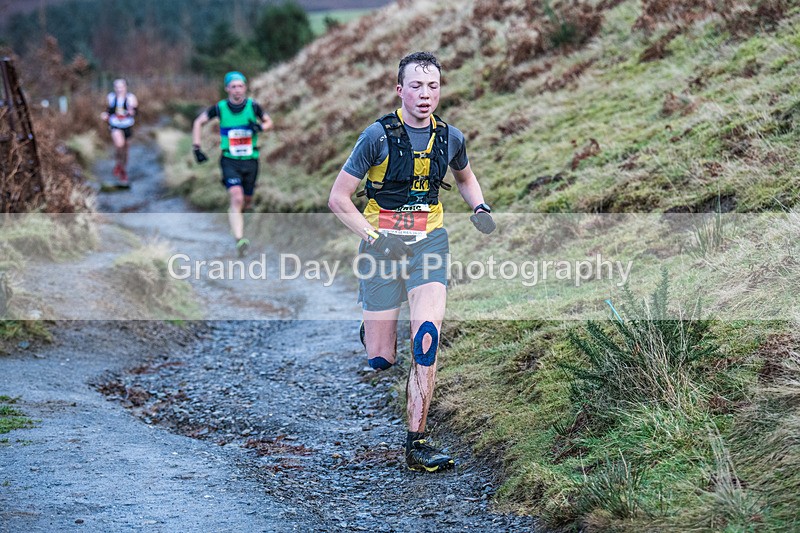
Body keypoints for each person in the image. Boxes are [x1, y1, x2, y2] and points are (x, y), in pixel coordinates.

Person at [328, 51, 496, 472]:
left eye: (433, 86)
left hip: (428, 245)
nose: (425, 95)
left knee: (426, 337)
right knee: (382, 359)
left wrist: (479, 207)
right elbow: (338, 198)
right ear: (399, 89)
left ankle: (416, 443)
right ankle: (372, 330)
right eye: (416, 86)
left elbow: (465, 178)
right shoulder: (377, 137)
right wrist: (374, 238)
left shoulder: (451, 137)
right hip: (380, 247)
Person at [192, 71, 273, 257]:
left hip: (251, 161)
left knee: (247, 200)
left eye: (240, 86)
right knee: (236, 197)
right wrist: (197, 147)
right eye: (233, 86)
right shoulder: (220, 108)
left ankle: (238, 220)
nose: (237, 90)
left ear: (245, 88)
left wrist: (260, 127)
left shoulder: (253, 107)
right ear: (227, 89)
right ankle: (239, 239)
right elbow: (198, 122)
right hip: (229, 160)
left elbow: (269, 122)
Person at [100, 78, 138, 185]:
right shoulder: (111, 97)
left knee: (125, 149)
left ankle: (122, 168)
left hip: (127, 125)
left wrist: (131, 112)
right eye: (117, 87)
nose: (119, 89)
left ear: (125, 87)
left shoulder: (131, 98)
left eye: (121, 87)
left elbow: (135, 111)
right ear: (114, 88)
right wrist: (105, 115)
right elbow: (108, 110)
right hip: (115, 125)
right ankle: (120, 167)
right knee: (119, 145)